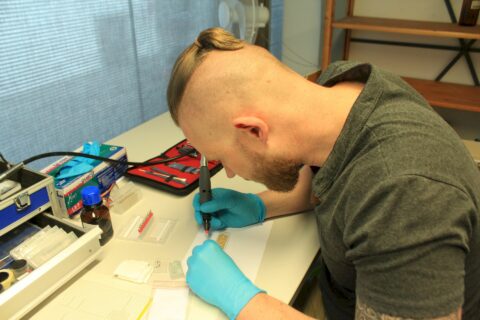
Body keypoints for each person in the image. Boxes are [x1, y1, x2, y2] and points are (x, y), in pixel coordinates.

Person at [166, 27, 480, 320]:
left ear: (252, 130)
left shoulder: (405, 196)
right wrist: (260, 206)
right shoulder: (337, 90)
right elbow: (331, 178)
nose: (230, 174)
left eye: (224, 160)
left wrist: (242, 300)